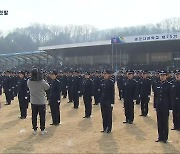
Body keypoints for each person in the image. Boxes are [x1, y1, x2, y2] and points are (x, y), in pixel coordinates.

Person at [27, 68, 50, 135]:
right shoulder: (42, 81)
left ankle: (34, 129)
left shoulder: (29, 81)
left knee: (34, 115)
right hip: (41, 101)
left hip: (33, 101)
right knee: (42, 116)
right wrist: (45, 79)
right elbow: (47, 87)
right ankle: (42, 129)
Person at [154, 71, 171, 143]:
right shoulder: (157, 84)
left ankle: (165, 137)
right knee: (159, 121)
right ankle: (160, 136)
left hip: (165, 106)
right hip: (159, 105)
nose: (162, 77)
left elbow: (170, 97)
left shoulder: (169, 85)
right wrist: (155, 105)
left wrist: (170, 108)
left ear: (166, 76)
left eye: (163, 75)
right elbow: (156, 96)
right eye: (161, 75)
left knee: (165, 121)